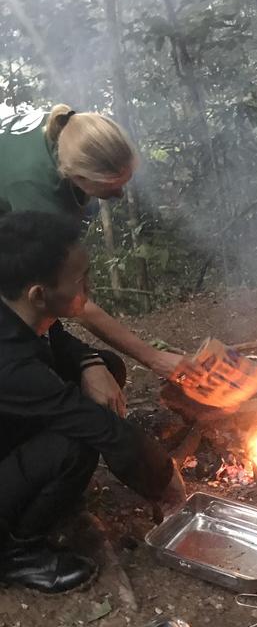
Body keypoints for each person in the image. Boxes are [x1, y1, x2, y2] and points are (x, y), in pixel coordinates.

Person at [0, 211, 186, 594]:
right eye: (81, 280)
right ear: (38, 293)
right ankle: (16, 556)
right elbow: (102, 430)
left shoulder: (14, 305)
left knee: (106, 369)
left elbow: (54, 336)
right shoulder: (10, 364)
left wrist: (89, 362)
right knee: (78, 443)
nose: (90, 285)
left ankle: (37, 497)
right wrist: (164, 478)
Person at [0, 105, 186, 391]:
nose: (119, 195)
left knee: (103, 367)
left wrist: (89, 360)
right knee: (42, 380)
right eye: (111, 186)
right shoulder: (38, 190)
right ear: (77, 175)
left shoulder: (70, 132)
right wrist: (153, 358)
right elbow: (67, 296)